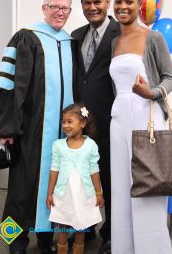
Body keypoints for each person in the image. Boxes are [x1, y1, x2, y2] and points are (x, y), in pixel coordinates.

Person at [0, 0, 75, 254]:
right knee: (21, 191)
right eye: (54, 7)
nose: (59, 12)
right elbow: (10, 84)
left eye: (65, 8)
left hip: (63, 135)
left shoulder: (71, 42)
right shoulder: (25, 38)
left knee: (56, 189)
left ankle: (47, 239)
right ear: (44, 8)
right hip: (30, 131)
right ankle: (14, 240)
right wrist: (8, 127)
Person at [110, 0, 172, 254]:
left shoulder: (153, 37)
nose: (122, 6)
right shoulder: (115, 40)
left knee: (147, 191)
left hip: (146, 117)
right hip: (119, 121)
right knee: (122, 191)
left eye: (129, 1)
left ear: (139, 5)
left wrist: (152, 93)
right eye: (118, 1)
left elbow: (170, 79)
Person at [72, 0, 120, 254]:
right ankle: (87, 227)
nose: (92, 7)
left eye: (97, 2)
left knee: (109, 181)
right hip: (81, 126)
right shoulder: (76, 35)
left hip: (111, 122)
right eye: (87, 3)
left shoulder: (121, 32)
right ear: (82, 5)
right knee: (82, 180)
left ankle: (110, 234)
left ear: (108, 2)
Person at [46, 103, 104, 254]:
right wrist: (50, 193)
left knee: (81, 224)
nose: (65, 125)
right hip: (63, 193)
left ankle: (78, 250)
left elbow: (94, 171)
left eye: (70, 121)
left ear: (83, 123)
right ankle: (62, 250)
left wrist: (98, 193)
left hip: (84, 193)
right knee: (63, 223)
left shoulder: (91, 145)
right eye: (63, 122)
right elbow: (54, 170)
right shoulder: (58, 145)